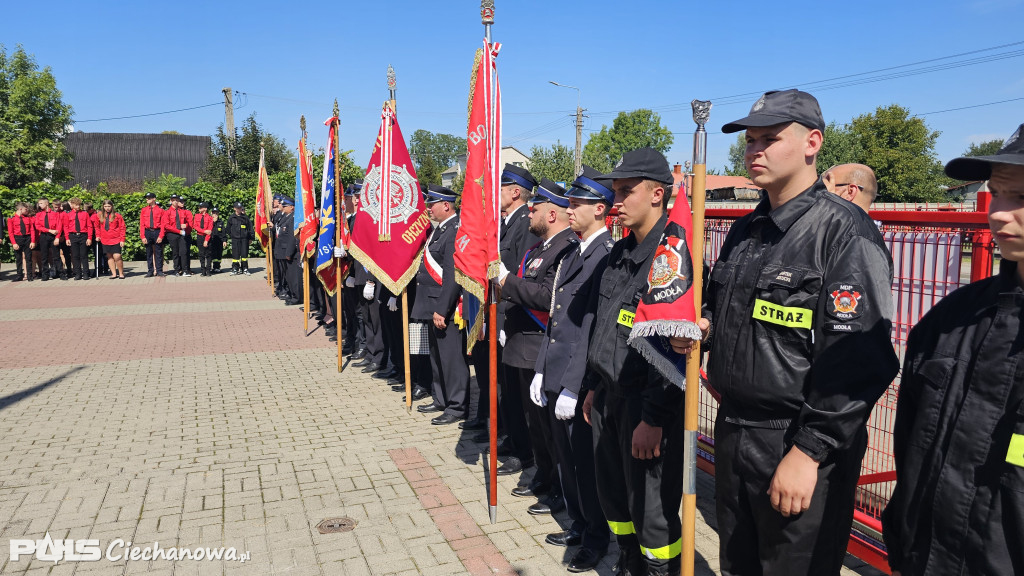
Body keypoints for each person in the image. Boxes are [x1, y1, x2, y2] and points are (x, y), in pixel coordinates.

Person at [671, 90, 899, 576]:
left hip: (795, 442)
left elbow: (861, 362)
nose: (755, 150)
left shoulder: (843, 232)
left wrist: (809, 451)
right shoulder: (746, 229)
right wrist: (704, 329)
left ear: (812, 142)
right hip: (733, 431)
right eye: (751, 140)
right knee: (739, 565)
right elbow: (719, 303)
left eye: (770, 139)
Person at [881, 124, 1024, 576]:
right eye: (997, 194)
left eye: (1020, 197)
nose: (999, 214)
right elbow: (911, 447)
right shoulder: (951, 321)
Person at [578, 148, 684, 576]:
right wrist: (591, 388)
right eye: (614, 190)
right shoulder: (617, 256)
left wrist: (654, 418)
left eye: (626, 190)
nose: (615, 200)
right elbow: (601, 329)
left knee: (653, 514)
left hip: (646, 409)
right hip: (608, 399)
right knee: (615, 500)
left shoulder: (672, 262)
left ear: (657, 194)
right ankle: (626, 563)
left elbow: (677, 352)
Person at [531, 167, 614, 572]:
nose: (570, 209)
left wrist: (571, 386)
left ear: (599, 209)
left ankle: (596, 537)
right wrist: (540, 369)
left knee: (585, 463)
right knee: (566, 459)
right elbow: (556, 318)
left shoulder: (604, 256)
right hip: (556, 371)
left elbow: (589, 328)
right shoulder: (573, 252)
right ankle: (579, 523)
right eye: (569, 203)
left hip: (578, 381)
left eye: (577, 204)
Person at [497, 177, 578, 515]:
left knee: (551, 428)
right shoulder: (538, 248)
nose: (530, 212)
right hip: (521, 346)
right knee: (537, 427)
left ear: (553, 213)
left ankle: (560, 487)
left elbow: (548, 297)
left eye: (536, 208)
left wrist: (505, 281)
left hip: (539, 347)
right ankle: (545, 476)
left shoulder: (566, 248)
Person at [411, 185, 469, 425]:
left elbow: (452, 274)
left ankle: (457, 406)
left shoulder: (454, 230)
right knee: (436, 356)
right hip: (430, 303)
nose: (428, 209)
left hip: (445, 307)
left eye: (432, 204)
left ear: (446, 205)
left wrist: (442, 308)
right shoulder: (440, 229)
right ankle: (441, 398)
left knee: (451, 358)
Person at [273, 198, 298, 303]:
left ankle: (294, 295)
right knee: (286, 274)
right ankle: (290, 293)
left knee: (291, 276)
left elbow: (292, 237)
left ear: (291, 207)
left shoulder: (293, 218)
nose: (282, 208)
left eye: (285, 206)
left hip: (287, 251)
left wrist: (289, 252)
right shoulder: (286, 217)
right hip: (281, 249)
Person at [62, 197, 93, 281]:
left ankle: (86, 273)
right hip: (73, 236)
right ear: (71, 205)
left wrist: (89, 238)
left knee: (84, 255)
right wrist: (67, 238)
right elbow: (66, 227)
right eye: (76, 205)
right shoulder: (68, 214)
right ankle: (77, 274)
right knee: (75, 256)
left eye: (79, 205)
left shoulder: (84, 214)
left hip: (83, 235)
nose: (78, 206)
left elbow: (89, 226)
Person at [95, 199, 126, 279]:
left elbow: (122, 227)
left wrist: (122, 239)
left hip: (116, 239)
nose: (107, 208)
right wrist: (97, 235)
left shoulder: (117, 216)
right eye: (105, 206)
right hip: (105, 239)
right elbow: (97, 227)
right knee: (109, 257)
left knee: (117, 256)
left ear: (112, 206)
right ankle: (114, 273)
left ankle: (121, 273)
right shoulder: (99, 215)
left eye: (109, 206)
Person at [164, 195, 193, 276]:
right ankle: (176, 270)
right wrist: (178, 231)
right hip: (172, 234)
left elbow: (188, 222)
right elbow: (166, 225)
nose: (175, 202)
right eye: (173, 200)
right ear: (171, 201)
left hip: (181, 234)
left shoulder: (182, 211)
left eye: (177, 200)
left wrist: (186, 225)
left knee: (184, 252)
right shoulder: (167, 212)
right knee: (175, 253)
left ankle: (185, 270)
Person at [33, 198, 61, 281]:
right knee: (44, 256)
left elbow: (59, 226)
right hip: (44, 236)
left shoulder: (55, 214)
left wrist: (57, 238)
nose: (39, 205)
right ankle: (45, 275)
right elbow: (38, 226)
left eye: (41, 203)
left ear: (47, 204)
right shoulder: (39, 215)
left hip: (53, 237)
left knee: (56, 256)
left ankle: (61, 273)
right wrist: (49, 230)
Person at [8, 202, 37, 281]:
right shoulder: (12, 219)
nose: (27, 210)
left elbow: (32, 230)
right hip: (18, 238)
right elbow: (10, 232)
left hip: (27, 238)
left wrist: (33, 241)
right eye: (25, 209)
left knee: (28, 257)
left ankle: (29, 276)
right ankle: (19, 275)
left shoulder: (28, 218)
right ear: (20, 209)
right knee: (18, 258)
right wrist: (14, 243)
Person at [139, 192, 165, 277]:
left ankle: (159, 270)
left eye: (149, 198)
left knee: (158, 252)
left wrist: (161, 236)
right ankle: (150, 271)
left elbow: (163, 224)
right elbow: (142, 224)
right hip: (147, 231)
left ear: (154, 199)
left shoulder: (160, 210)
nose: (147, 199)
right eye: (146, 198)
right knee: (149, 252)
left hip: (157, 231)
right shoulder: (144, 210)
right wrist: (142, 236)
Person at [227, 202, 254, 275]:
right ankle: (235, 269)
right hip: (235, 239)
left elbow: (250, 228)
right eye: (238, 208)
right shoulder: (232, 218)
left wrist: (251, 237)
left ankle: (244, 268)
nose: (239, 209)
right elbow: (228, 229)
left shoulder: (245, 218)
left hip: (244, 239)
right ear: (234, 208)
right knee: (235, 255)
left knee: (244, 254)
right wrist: (232, 235)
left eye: (240, 208)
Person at [193, 202, 215, 276]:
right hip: (200, 236)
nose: (199, 209)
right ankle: (203, 271)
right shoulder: (196, 216)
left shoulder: (210, 218)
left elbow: (210, 230)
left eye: (201, 207)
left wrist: (206, 240)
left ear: (205, 209)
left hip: (207, 237)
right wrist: (204, 231)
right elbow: (195, 226)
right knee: (201, 254)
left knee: (208, 254)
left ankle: (208, 270)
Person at [209, 207, 226, 273]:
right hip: (212, 241)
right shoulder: (209, 221)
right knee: (213, 255)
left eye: (216, 213)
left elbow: (223, 232)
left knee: (219, 254)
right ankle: (213, 268)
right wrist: (213, 222)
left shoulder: (221, 222)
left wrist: (224, 240)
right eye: (214, 213)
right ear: (211, 213)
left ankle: (217, 267)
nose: (215, 214)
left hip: (219, 241)